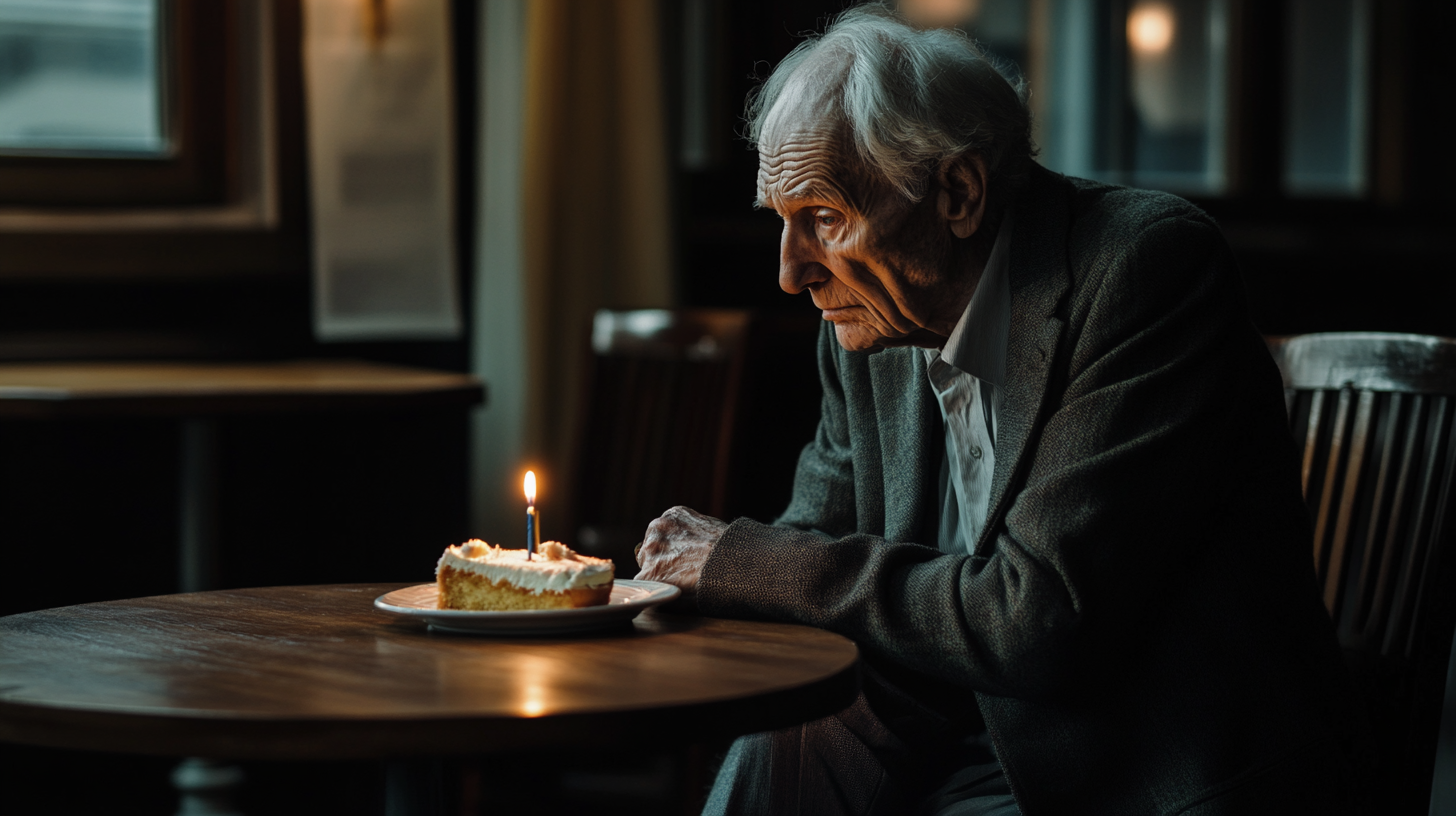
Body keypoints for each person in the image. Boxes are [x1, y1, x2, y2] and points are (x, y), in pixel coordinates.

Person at [634, 5, 1358, 814]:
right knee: (790, 738)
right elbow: (814, 547)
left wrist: (740, 559)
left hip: (1133, 768)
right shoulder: (873, 320)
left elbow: (1037, 620)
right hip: (945, 734)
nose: (790, 272)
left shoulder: (1144, 271)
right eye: (782, 224)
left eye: (826, 218)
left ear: (959, 193)